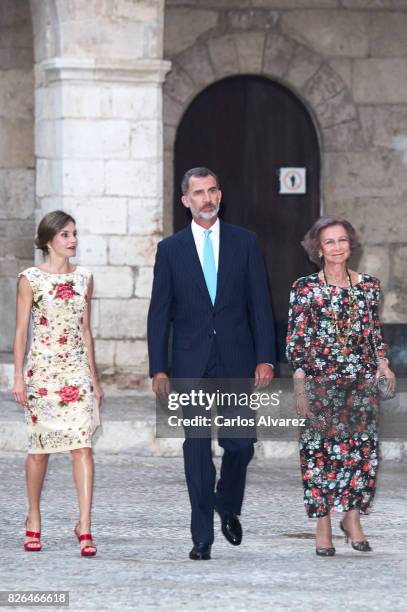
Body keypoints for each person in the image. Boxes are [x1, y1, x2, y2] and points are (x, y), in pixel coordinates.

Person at [148, 167, 276, 560]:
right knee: (197, 447)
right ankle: (201, 535)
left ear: (220, 194)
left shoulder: (246, 242)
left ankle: (227, 501)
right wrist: (159, 367)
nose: (207, 199)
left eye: (212, 190)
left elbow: (261, 305)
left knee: (241, 445)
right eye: (198, 193)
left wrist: (265, 358)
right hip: (190, 363)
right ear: (185, 200)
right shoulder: (170, 250)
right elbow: (159, 313)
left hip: (237, 360)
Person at [286, 214, 395, 556]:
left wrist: (384, 366)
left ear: (351, 245)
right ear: (318, 249)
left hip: (360, 384)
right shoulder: (305, 288)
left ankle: (352, 518)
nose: (337, 247)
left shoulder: (368, 286)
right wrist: (300, 386)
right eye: (329, 241)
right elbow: (297, 341)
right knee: (319, 455)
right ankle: (323, 525)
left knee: (361, 454)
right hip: (320, 384)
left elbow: (373, 335)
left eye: (342, 240)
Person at [13, 210, 103, 557]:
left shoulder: (84, 278)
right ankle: (33, 517)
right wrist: (17, 376)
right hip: (42, 373)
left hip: (76, 373)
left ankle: (85, 525)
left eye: (75, 234)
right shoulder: (30, 279)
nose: (73, 240)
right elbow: (22, 332)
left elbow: (86, 331)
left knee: (82, 446)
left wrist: (94, 380)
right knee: (39, 452)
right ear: (49, 239)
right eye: (66, 235)